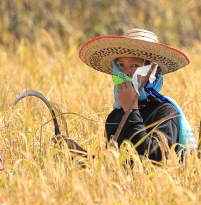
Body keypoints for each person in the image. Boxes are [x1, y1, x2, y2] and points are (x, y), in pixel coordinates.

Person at [79, 28, 197, 162]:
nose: (126, 73)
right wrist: (80, 156)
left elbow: (156, 159)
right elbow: (114, 163)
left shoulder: (165, 112)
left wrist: (131, 110)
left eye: (134, 65)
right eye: (120, 65)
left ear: (152, 72)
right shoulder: (115, 114)